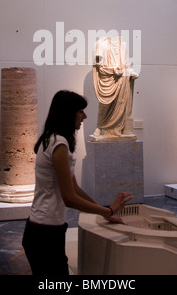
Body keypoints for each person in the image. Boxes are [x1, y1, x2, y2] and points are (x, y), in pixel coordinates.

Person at [22, 90, 132, 276]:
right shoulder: (59, 144)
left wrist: (105, 212)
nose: (84, 116)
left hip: (44, 231)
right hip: (44, 233)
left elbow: (75, 188)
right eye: (81, 111)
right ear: (68, 113)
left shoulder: (53, 139)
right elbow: (70, 199)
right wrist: (109, 210)